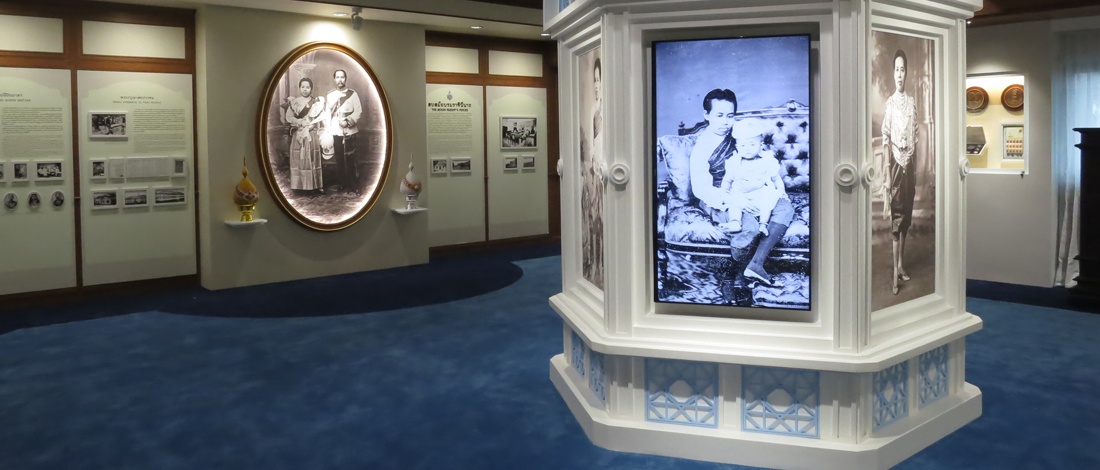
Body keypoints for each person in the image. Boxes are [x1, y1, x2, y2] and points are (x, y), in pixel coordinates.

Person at [880, 49, 917, 295]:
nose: (900, 74)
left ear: (907, 73)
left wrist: (914, 166)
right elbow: (886, 138)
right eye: (897, 70)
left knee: (906, 221)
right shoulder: (890, 104)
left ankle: (901, 264)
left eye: (903, 70)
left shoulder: (912, 103)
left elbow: (916, 136)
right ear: (893, 73)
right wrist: (886, 173)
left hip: (909, 167)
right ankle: (894, 272)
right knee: (896, 219)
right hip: (894, 165)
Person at [718, 123, 788, 238]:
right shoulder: (734, 162)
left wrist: (781, 190)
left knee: (768, 200)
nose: (747, 149)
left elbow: (776, 179)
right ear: (737, 147)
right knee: (734, 204)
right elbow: (727, 180)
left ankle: (763, 224)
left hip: (760, 193)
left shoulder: (767, 160)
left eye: (752, 145)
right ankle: (735, 222)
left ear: (761, 145)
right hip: (741, 194)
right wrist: (725, 193)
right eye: (743, 145)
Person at [580, 57, 605, 288]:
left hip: (606, 170)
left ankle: (605, 265)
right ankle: (595, 266)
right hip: (596, 169)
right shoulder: (594, 108)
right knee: (595, 220)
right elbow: (591, 142)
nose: (596, 85)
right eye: (595, 80)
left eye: (600, 80)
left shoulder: (610, 108)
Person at [325, 69, 363, 195]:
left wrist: (347, 121)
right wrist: (328, 129)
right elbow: (327, 114)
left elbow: (358, 111)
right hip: (336, 131)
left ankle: (353, 185)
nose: (340, 79)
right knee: (339, 159)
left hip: (349, 131)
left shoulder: (353, 94)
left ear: (345, 79)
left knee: (351, 159)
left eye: (342, 77)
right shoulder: (330, 95)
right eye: (337, 77)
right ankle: (342, 184)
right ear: (334, 79)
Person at [285, 77, 326, 193]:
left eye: (307, 87)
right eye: (303, 87)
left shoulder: (316, 103)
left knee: (313, 158)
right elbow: (289, 117)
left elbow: (322, 118)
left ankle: (316, 185)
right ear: (299, 88)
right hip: (299, 133)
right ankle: (299, 186)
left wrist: (313, 125)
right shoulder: (295, 102)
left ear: (311, 89)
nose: (305, 89)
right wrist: (300, 122)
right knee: (299, 159)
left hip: (311, 133)